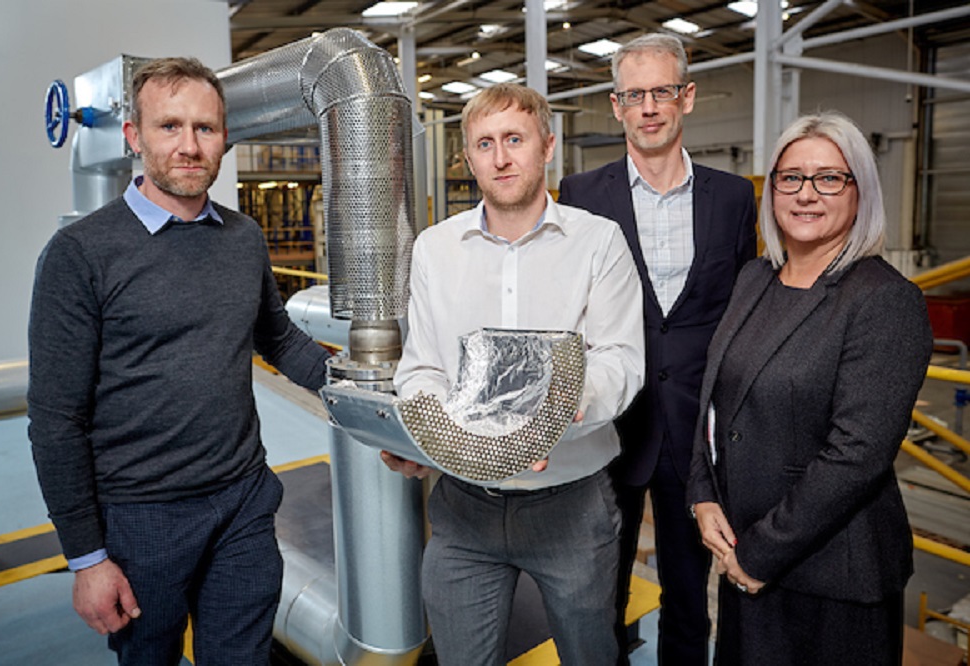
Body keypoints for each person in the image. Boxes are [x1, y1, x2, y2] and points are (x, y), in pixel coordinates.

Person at [27, 57, 330, 665]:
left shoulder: (243, 238)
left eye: (206, 128)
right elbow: (57, 420)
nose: (189, 146)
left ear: (225, 138)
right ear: (134, 138)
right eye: (170, 127)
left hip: (243, 501)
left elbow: (280, 339)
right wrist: (88, 558)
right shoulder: (80, 254)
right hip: (141, 519)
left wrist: (367, 393)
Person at [381, 83, 646, 665]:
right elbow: (421, 367)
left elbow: (620, 362)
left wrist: (553, 416)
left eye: (515, 140)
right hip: (463, 510)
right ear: (469, 157)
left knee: (591, 657)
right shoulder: (434, 249)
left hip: (570, 506)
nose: (501, 157)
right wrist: (423, 433)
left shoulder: (598, 243)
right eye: (485, 144)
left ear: (546, 146)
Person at [687, 111, 933, 665]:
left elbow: (857, 454)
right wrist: (701, 494)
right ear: (771, 188)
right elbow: (714, 399)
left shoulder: (883, 300)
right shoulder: (755, 278)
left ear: (859, 190)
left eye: (828, 178)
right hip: (743, 556)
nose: (806, 194)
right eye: (790, 177)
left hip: (831, 576)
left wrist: (759, 555)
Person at [558, 32, 757, 665]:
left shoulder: (732, 198)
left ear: (687, 97)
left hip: (697, 434)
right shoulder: (582, 193)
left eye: (662, 92)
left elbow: (746, 315)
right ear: (616, 106)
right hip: (609, 427)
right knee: (597, 595)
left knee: (689, 600)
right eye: (633, 95)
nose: (648, 107)